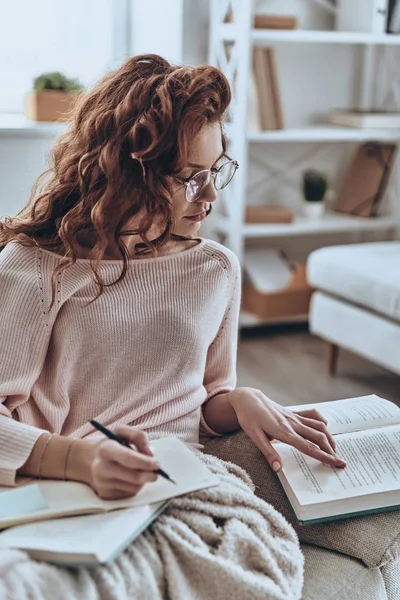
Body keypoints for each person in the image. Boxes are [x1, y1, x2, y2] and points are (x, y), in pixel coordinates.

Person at [0, 53, 346, 502]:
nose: (210, 197)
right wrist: (77, 461)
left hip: (182, 485)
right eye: (189, 178)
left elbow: (200, 405)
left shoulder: (215, 269)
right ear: (123, 172)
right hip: (63, 494)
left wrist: (240, 401)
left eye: (216, 172)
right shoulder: (36, 266)